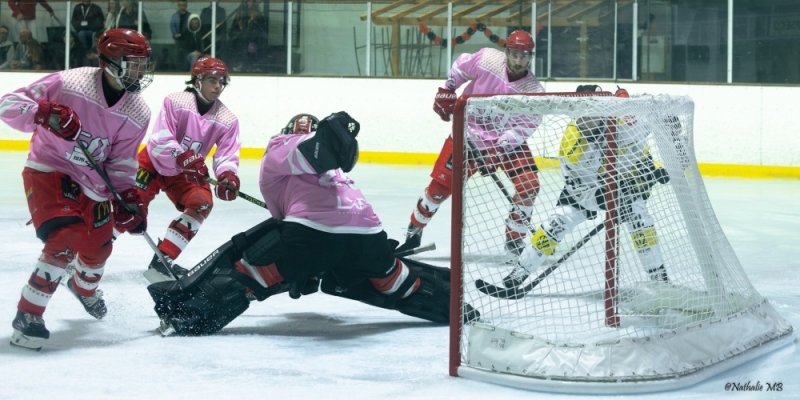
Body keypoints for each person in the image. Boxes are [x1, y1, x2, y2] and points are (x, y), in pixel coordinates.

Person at [146, 112, 478, 336]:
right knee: (395, 283)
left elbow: (283, 222)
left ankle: (186, 317)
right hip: (369, 235)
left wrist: (304, 269)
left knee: (253, 273)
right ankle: (455, 306)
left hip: (312, 237)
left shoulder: (280, 146)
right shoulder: (337, 172)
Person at [1, 28, 153, 351]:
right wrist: (44, 113)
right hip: (50, 168)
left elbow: (122, 161)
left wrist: (128, 197)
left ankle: (83, 288)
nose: (142, 71)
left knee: (100, 248)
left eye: (143, 63)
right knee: (67, 234)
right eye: (134, 63)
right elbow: (8, 104)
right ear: (110, 62)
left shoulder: (139, 110)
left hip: (93, 184)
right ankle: (28, 316)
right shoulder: (70, 83)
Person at [500, 85, 672, 289]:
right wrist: (605, 199)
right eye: (581, 112)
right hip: (584, 193)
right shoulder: (572, 148)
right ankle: (521, 270)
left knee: (639, 218)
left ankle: (659, 278)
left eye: (592, 109)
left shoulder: (627, 121)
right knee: (557, 223)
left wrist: (659, 168)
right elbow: (581, 193)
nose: (587, 118)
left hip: (628, 183)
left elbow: (664, 118)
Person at [396, 30, 544, 264]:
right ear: (506, 52)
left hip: (505, 144)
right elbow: (462, 65)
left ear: (530, 57)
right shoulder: (487, 59)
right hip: (467, 136)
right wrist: (448, 88)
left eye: (524, 56)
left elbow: (525, 125)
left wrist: (499, 150)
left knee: (529, 185)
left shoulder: (534, 91)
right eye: (514, 54)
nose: (518, 61)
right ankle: (413, 234)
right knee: (438, 190)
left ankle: (514, 241)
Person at [135, 57, 240, 285]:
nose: (217, 86)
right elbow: (160, 138)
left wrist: (227, 175)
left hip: (186, 173)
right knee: (127, 207)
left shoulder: (228, 120)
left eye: (222, 81)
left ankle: (162, 261)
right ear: (197, 80)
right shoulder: (175, 101)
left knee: (202, 202)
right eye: (212, 80)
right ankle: (80, 258)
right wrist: (183, 156)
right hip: (153, 162)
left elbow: (226, 155)